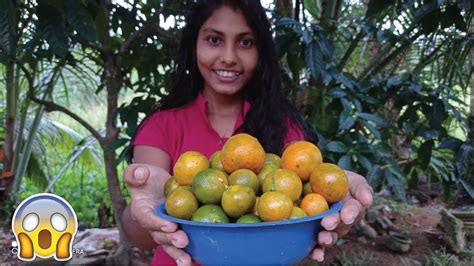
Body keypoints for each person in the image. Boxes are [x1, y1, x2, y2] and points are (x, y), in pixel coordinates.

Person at [122, 1, 373, 265]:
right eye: (213, 39)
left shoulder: (284, 125)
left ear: (261, 51)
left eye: (245, 42)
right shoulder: (161, 126)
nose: (229, 57)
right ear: (193, 45)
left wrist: (333, 199)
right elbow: (137, 234)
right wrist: (144, 212)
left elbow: (304, 204)